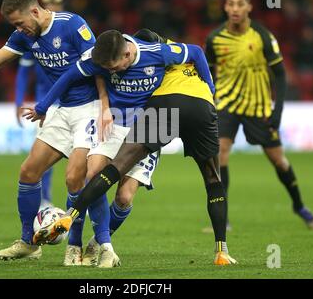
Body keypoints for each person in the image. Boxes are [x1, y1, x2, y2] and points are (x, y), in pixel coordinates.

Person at [25, 29, 237, 265]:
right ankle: (221, 251)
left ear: (127, 54)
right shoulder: (124, 56)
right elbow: (71, 75)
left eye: (114, 67)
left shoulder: (157, 53)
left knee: (120, 182)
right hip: (165, 115)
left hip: (159, 113)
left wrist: (211, 88)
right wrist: (43, 107)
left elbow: (196, 52)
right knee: (211, 179)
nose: (111, 71)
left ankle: (83, 228)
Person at [0, 0, 118, 266]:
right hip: (60, 110)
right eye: (14, 25)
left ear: (34, 10)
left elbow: (99, 67)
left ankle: (88, 245)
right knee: (28, 171)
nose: (19, 29)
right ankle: (29, 243)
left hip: (88, 109)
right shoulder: (23, 36)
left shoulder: (73, 25)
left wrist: (104, 107)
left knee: (74, 177)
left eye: (20, 22)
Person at [203, 0, 313, 231]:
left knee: (278, 160)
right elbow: (209, 73)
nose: (235, 9)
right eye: (231, 4)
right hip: (226, 104)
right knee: (221, 154)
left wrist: (277, 111)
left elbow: (279, 73)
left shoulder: (262, 36)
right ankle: (223, 218)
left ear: (248, 7)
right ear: (225, 7)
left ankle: (299, 205)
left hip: (258, 106)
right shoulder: (214, 39)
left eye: (240, 4)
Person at [14, 0, 65, 207]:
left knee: (85, 154)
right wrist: (18, 102)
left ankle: (88, 199)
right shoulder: (32, 37)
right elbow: (23, 72)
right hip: (45, 104)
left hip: (74, 102)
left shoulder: (70, 31)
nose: (54, 8)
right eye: (50, 5)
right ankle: (45, 200)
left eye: (57, 5)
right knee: (43, 156)